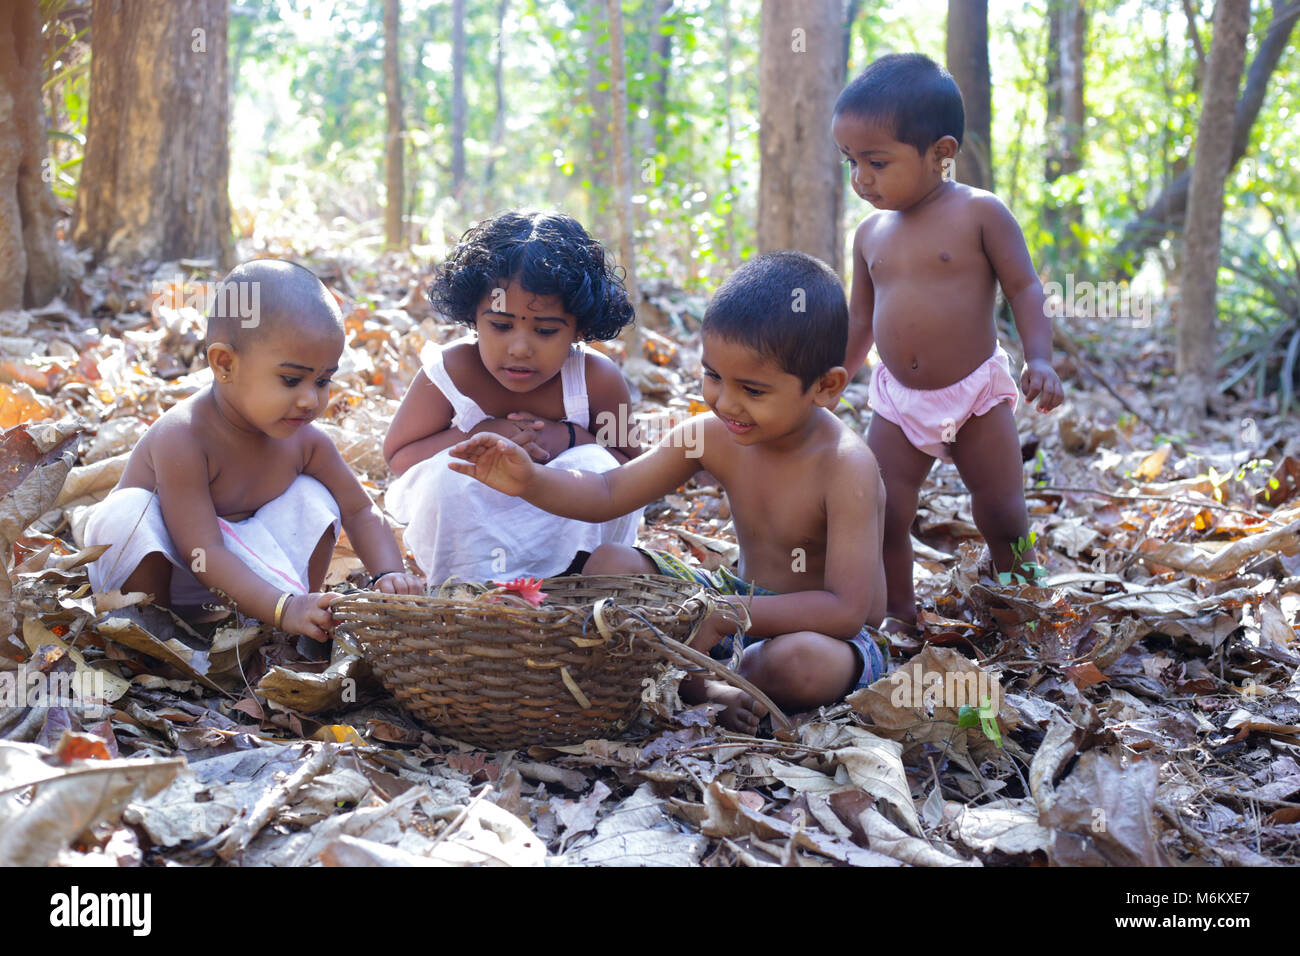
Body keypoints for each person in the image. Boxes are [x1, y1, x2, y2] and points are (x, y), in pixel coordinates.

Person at [447, 251, 888, 733]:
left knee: (799, 664)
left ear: (826, 387)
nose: (726, 402)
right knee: (610, 565)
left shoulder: (847, 467)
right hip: (727, 602)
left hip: (817, 630)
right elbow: (608, 490)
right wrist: (530, 481)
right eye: (714, 376)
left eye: (754, 391)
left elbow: (847, 611)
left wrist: (728, 615)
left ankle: (694, 676)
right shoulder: (711, 433)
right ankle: (700, 679)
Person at [832, 52, 1065, 634]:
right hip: (898, 399)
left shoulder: (979, 213)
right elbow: (860, 320)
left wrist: (1039, 357)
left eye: (877, 162)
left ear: (942, 153)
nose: (861, 178)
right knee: (885, 510)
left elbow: (1025, 288)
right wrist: (832, 379)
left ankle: (1021, 613)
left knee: (1003, 513)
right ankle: (898, 614)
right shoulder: (868, 234)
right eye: (851, 162)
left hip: (976, 394)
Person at [84, 259, 423, 640]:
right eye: (291, 379)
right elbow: (204, 552)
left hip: (250, 582)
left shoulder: (306, 442)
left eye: (324, 380)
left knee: (315, 495)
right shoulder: (184, 438)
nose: (310, 400)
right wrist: (281, 607)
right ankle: (155, 636)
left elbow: (360, 510)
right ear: (224, 363)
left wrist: (389, 574)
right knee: (127, 511)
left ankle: (294, 615)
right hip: (173, 572)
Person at [383, 211, 642, 583]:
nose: (519, 348)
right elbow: (399, 459)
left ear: (578, 328)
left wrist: (569, 438)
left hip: (564, 519)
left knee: (595, 462)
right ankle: (466, 592)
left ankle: (572, 586)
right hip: (470, 527)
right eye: (501, 326)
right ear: (473, 316)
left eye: (546, 330)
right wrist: (479, 435)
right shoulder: (450, 372)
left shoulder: (595, 379)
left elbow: (633, 472)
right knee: (450, 475)